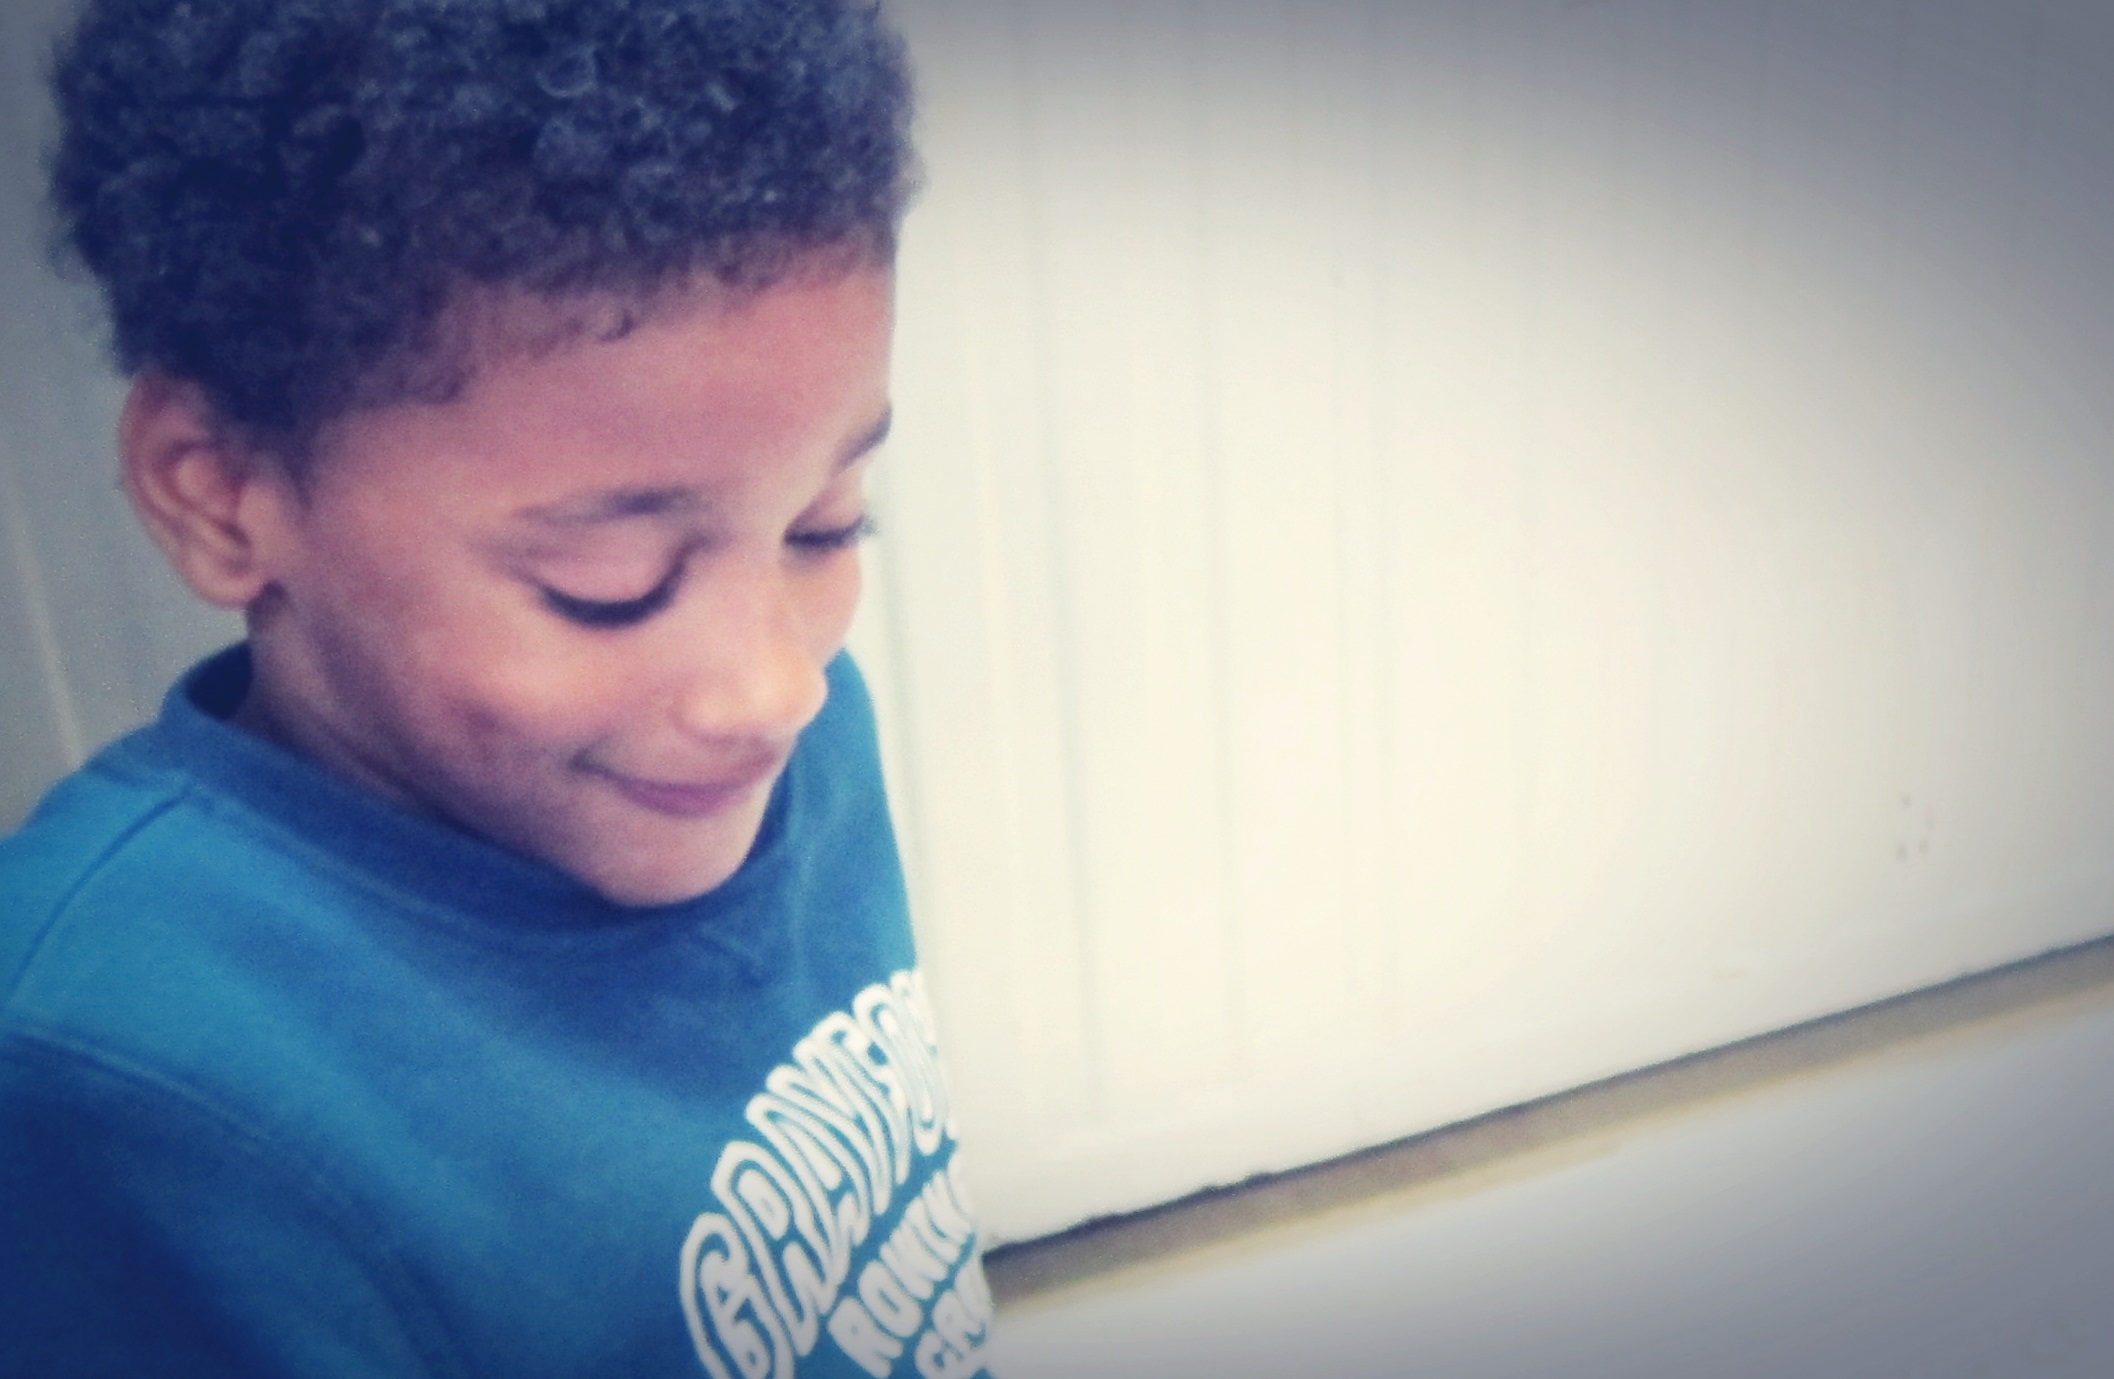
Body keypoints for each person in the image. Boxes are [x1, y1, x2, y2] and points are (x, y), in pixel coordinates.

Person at [0, 1, 994, 1375]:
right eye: (610, 582)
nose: (776, 688)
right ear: (222, 493)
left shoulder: (781, 750)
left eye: (824, 526)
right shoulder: (106, 1072)